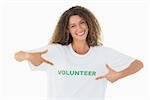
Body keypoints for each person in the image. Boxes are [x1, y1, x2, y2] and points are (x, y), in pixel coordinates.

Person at [14, 6, 143, 100]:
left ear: (88, 24)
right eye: (73, 26)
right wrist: (28, 56)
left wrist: (119, 75)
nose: (79, 28)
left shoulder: (103, 53)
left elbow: (138, 64)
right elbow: (17, 56)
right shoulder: (56, 51)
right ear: (67, 30)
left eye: (82, 23)